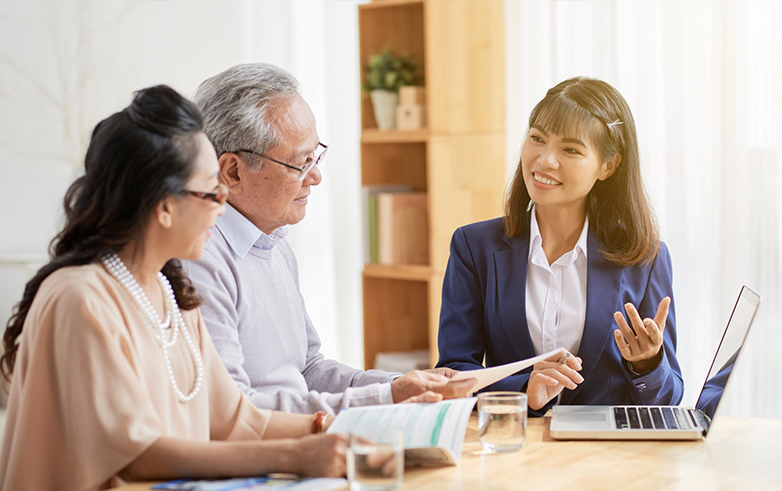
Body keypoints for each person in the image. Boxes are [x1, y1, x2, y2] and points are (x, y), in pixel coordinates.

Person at [0, 85, 348, 491]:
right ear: (163, 206)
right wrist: (292, 456)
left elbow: (235, 421)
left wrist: (335, 429)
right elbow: (137, 455)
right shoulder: (79, 298)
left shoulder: (170, 292)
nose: (222, 206)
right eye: (212, 192)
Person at [182, 63, 474, 415]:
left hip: (299, 443)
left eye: (315, 155)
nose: (315, 176)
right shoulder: (199, 258)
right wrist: (386, 399)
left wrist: (399, 385)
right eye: (300, 163)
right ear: (232, 171)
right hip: (262, 457)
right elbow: (234, 410)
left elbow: (308, 369)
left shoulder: (274, 243)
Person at [436, 77, 684, 415]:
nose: (545, 160)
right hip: (514, 450)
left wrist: (647, 364)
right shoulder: (473, 248)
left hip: (607, 458)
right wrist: (524, 388)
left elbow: (667, 400)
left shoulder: (645, 258)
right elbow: (452, 375)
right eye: (537, 138)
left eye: (571, 149)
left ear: (607, 166)